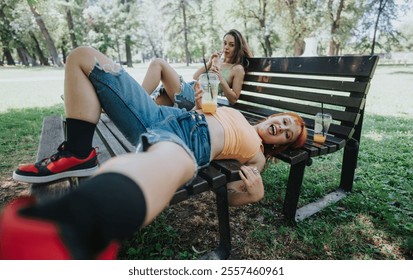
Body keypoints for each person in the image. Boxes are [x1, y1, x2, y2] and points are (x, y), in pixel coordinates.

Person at [0, 46, 306, 259]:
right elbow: (202, 108)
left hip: (189, 144)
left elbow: (230, 192)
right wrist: (199, 100)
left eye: (288, 133)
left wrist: (253, 195)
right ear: (273, 116)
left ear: (281, 144)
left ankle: (74, 228)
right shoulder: (236, 113)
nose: (282, 127)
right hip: (166, 116)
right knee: (83, 57)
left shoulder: (259, 155)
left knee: (162, 161)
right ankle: (79, 152)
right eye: (284, 120)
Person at [143, 29, 252, 109]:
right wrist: (209, 62)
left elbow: (234, 99)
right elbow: (195, 77)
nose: (226, 47)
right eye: (224, 43)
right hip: (191, 89)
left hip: (198, 99)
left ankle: (134, 98)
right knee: (152, 106)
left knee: (158, 63)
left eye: (231, 45)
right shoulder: (219, 62)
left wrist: (221, 79)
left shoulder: (238, 69)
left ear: (238, 47)